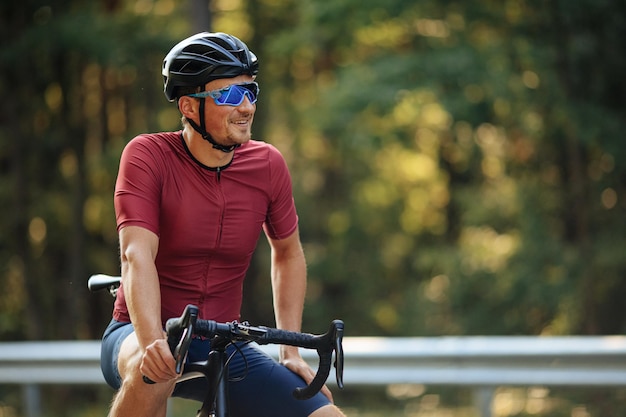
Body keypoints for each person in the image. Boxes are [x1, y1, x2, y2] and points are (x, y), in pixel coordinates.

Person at [99, 32, 345, 417]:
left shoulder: (267, 164)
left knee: (325, 415)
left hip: (223, 340)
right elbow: (136, 256)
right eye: (230, 95)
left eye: (251, 92)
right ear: (188, 106)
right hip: (139, 331)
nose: (246, 107)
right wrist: (152, 342)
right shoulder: (148, 155)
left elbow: (287, 252)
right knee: (159, 373)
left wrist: (290, 351)